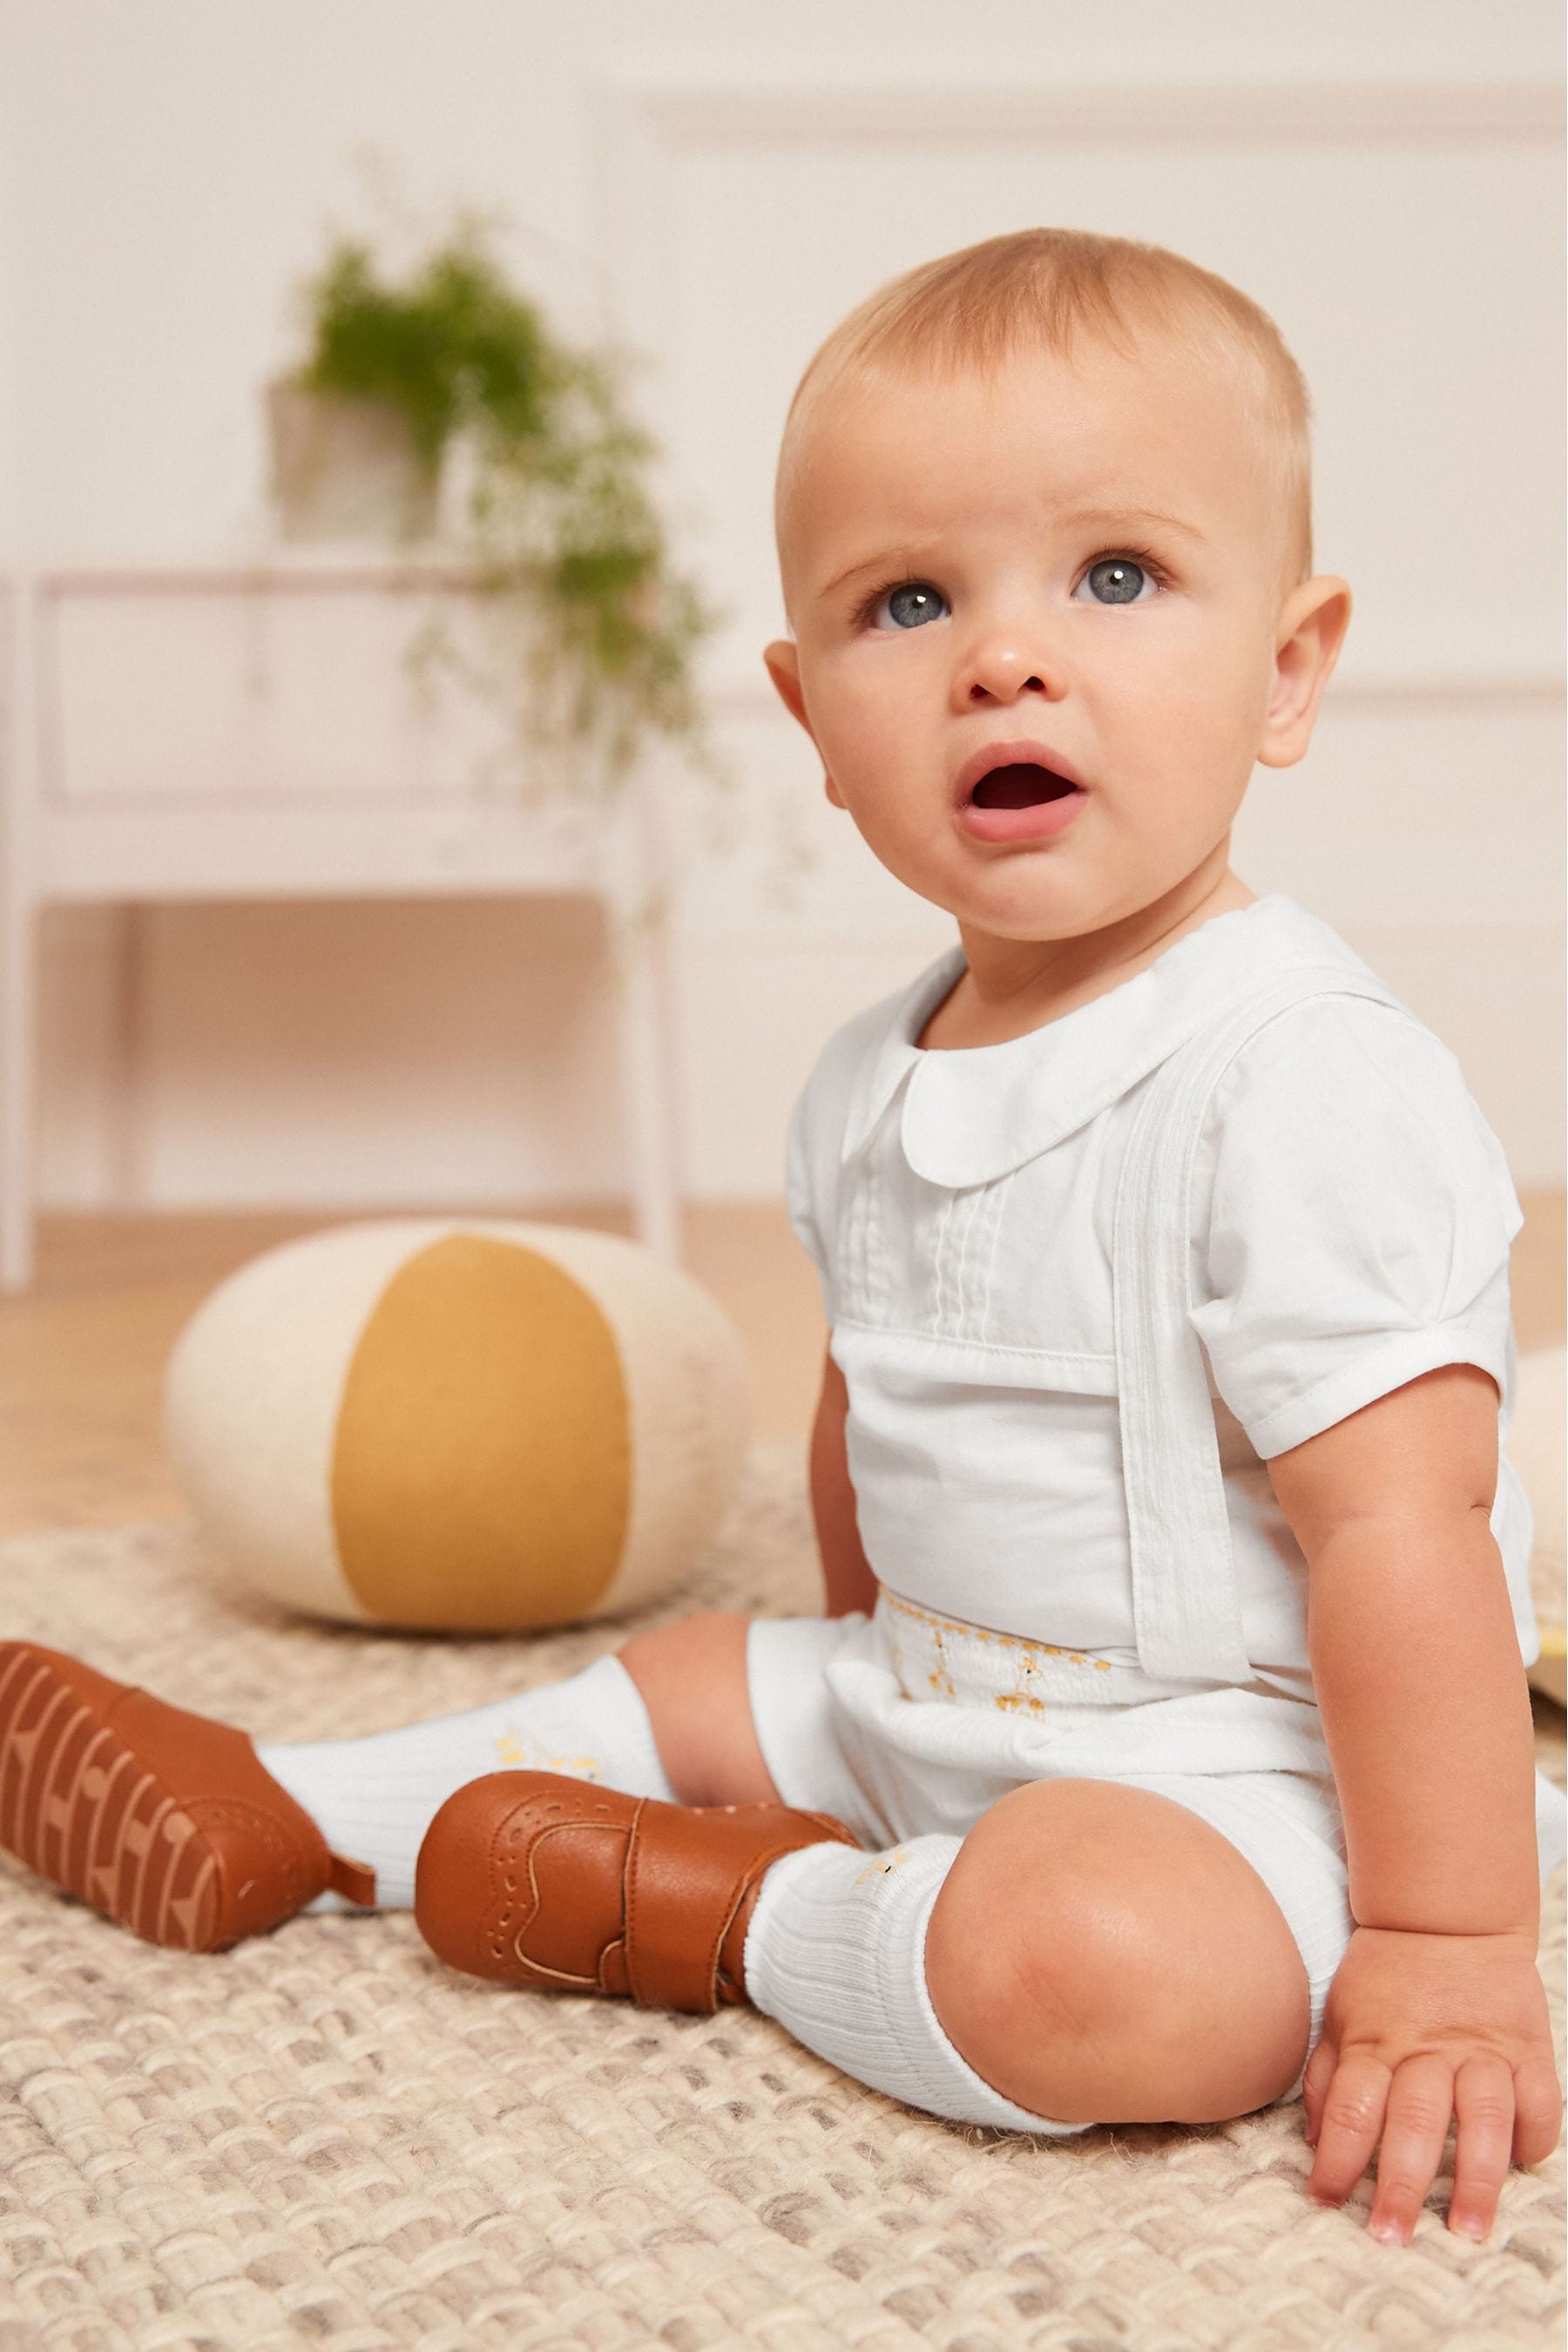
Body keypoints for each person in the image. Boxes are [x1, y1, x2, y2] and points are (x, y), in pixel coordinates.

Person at [2, 229, 1563, 2249]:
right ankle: (301, 1815)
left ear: (1288, 667)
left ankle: (750, 1915)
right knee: (694, 1678)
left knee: (1095, 1975)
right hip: (930, 1687)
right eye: (908, 602)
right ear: (814, 717)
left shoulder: (1301, 1079)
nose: (1007, 656)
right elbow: (870, 1407)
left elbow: (1404, 1533)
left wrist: (1445, 1942)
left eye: (1116, 576)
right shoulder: (867, 1075)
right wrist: (837, 1680)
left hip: (1241, 1780)